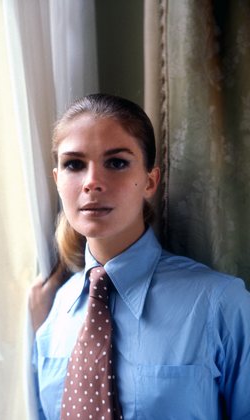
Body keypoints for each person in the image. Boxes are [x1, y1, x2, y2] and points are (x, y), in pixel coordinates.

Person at [31, 93, 250, 420]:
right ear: (57, 180)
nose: (91, 182)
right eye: (74, 164)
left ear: (150, 181)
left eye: (116, 162)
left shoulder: (220, 303)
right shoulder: (54, 313)